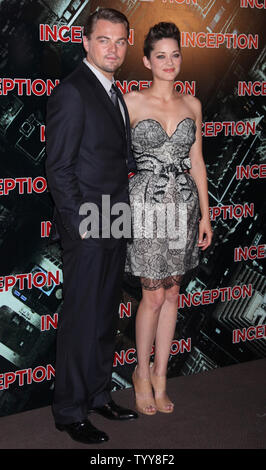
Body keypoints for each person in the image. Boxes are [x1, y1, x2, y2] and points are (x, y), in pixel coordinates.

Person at [45, 8, 138, 445]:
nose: (114, 49)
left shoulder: (112, 92)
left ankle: (98, 395)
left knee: (103, 317)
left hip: (115, 221)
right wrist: (79, 225)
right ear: (85, 42)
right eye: (104, 40)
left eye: (121, 41)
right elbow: (59, 168)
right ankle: (69, 410)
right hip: (88, 226)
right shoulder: (73, 93)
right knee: (81, 318)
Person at [124, 22, 213, 415]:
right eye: (160, 55)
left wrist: (206, 217)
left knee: (174, 293)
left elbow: (197, 163)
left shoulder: (191, 104)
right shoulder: (130, 102)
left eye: (175, 54)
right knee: (152, 295)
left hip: (184, 207)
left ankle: (162, 376)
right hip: (145, 207)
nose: (169, 62)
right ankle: (140, 373)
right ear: (146, 60)